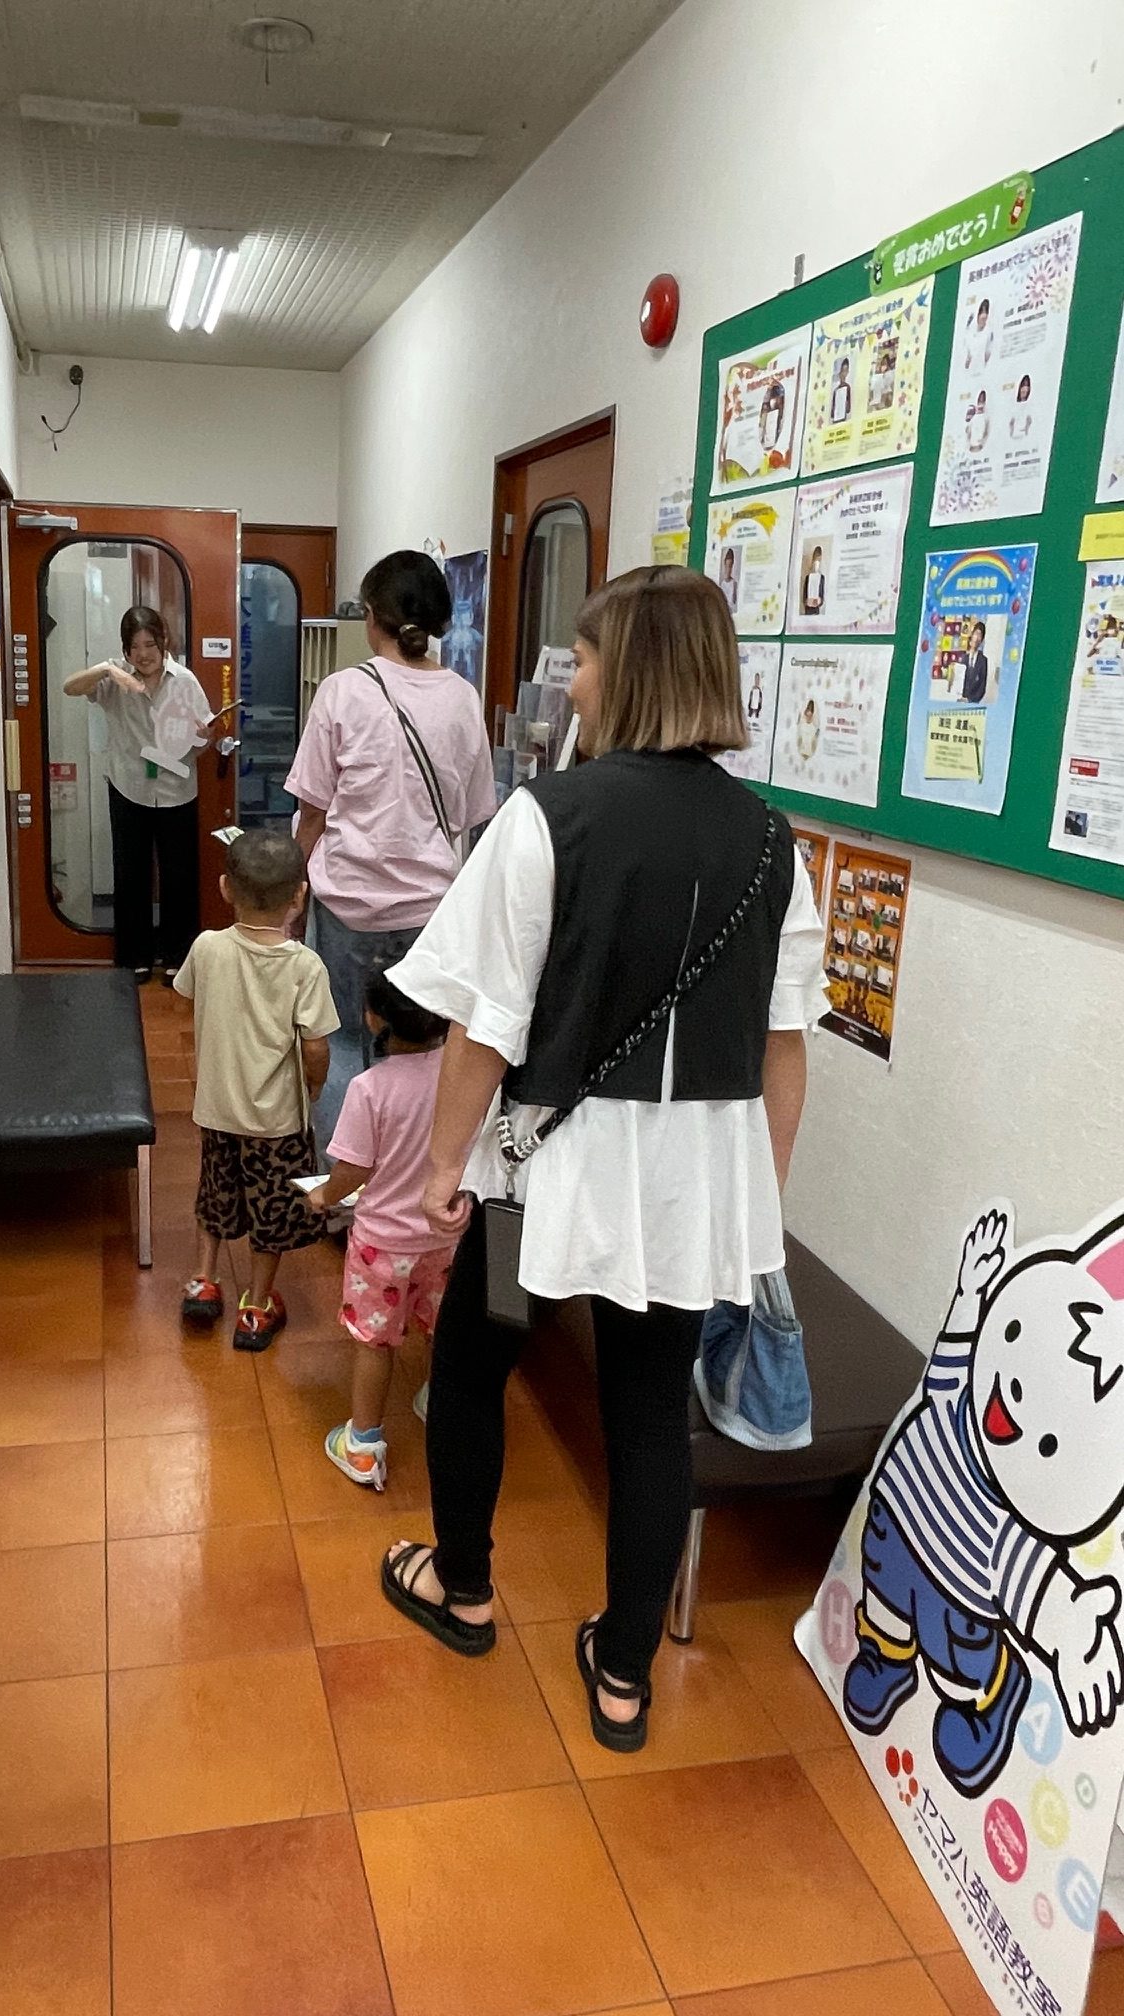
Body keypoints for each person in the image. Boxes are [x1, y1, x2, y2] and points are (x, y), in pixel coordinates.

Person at [374, 564, 825, 1754]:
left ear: (630, 672)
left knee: (475, 1359)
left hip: (539, 1167)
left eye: (581, 660)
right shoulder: (774, 842)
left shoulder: (548, 819)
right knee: (648, 1412)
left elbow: (484, 1027)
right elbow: (784, 1048)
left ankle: (462, 1586)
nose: (569, 682)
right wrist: (757, 1199)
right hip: (688, 1185)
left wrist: (443, 1167)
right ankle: (623, 1673)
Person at [286, 550, 496, 1146]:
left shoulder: (341, 691)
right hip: (429, 914)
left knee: (343, 1041)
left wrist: (296, 895)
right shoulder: (463, 697)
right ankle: (409, 1177)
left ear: (371, 616)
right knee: (422, 1050)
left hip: (347, 906)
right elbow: (472, 815)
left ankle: (345, 1182)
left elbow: (312, 813)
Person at [172, 830, 338, 1350]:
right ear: (300, 897)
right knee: (273, 1209)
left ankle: (203, 1281)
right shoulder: (305, 966)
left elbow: (185, 1000)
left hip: (217, 1107)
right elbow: (315, 1046)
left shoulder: (206, 947)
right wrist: (314, 1087)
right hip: (277, 1120)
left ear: (225, 888)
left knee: (214, 1192)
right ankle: (257, 1306)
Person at [308, 970, 453, 1492]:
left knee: (374, 1342)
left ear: (373, 1019)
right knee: (441, 1327)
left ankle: (364, 1446)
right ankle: (439, 1401)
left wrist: (323, 1196)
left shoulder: (368, 1088)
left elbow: (353, 1169)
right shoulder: (460, 1074)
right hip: (445, 1236)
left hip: (382, 1246)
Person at [63, 605, 210, 983]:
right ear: (125, 649)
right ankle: (135, 957)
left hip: (177, 790)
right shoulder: (114, 678)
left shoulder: (185, 681)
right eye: (135, 646)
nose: (143, 654)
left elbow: (204, 739)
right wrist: (107, 669)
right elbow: (70, 687)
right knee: (131, 876)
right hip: (128, 787)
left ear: (163, 642)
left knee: (179, 878)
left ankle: (178, 957)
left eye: (150, 644)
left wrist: (203, 737)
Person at [961, 621, 990, 704]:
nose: (976, 638)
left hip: (973, 702)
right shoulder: (964, 658)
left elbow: (982, 687)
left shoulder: (983, 661)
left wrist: (971, 700)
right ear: (972, 635)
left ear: (982, 640)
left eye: (979, 635)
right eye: (976, 634)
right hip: (960, 700)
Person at [802, 546, 826, 616]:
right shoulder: (808, 577)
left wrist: (819, 601)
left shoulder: (822, 578)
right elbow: (804, 594)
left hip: (816, 610)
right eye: (815, 563)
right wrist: (806, 601)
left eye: (818, 563)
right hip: (807, 609)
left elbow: (822, 594)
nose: (816, 565)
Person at [829, 356, 853, 425]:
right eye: (842, 371)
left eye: (845, 371)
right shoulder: (835, 389)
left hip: (843, 418)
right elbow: (833, 407)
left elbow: (848, 407)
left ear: (847, 372)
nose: (843, 373)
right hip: (836, 418)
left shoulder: (847, 387)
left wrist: (845, 406)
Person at [1009, 373, 1034, 439]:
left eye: (1026, 388)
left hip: (1023, 435)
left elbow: (1029, 421)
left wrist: (1026, 430)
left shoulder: (1029, 406)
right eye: (1023, 387)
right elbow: (1011, 422)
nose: (1024, 390)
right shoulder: (1014, 405)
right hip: (1014, 435)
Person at [966, 388, 990, 453]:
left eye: (982, 401)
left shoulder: (986, 418)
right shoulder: (973, 418)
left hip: (980, 445)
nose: (980, 405)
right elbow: (968, 432)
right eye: (979, 401)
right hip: (972, 445)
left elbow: (986, 432)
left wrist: (982, 443)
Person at [718, 545, 739, 612]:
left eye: (730, 566)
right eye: (727, 566)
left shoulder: (734, 584)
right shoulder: (721, 584)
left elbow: (734, 603)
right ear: (724, 565)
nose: (728, 569)